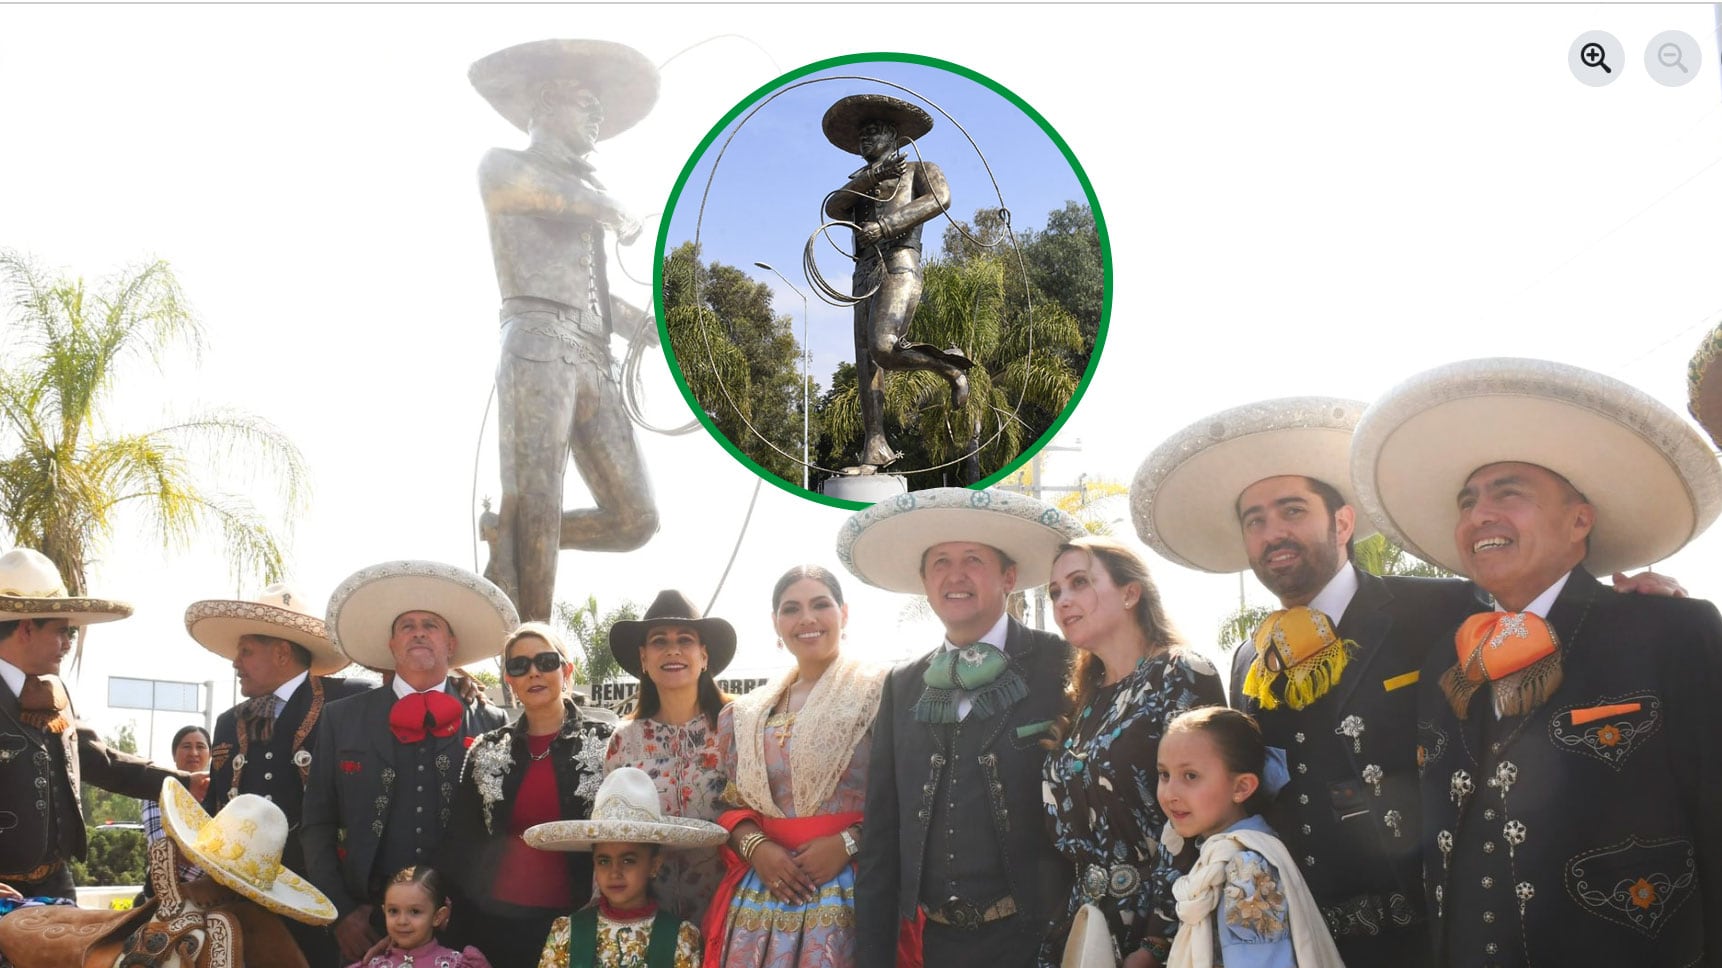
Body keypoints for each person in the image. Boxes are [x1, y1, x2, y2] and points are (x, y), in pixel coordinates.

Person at [1131, 396, 1683, 966]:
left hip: (1431, 934)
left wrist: (1633, 603)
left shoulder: (1442, 608)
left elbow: (1545, 616)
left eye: (1292, 511)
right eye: (1256, 521)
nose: (1274, 534)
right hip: (1309, 936)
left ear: (1342, 522)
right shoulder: (1250, 657)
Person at [1350, 357, 1722, 967]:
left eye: (1509, 493)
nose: (1478, 516)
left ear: (1580, 520)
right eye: (1468, 501)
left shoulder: (1670, 631)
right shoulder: (1446, 655)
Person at [839, 487, 1088, 968]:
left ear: (1009, 577)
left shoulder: (1064, 664)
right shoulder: (903, 685)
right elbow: (882, 837)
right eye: (939, 562)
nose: (955, 575)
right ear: (925, 581)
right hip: (942, 944)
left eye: (973, 559)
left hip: (1044, 938)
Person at [470, 39, 662, 622]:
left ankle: (516, 530)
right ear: (545, 106)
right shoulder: (505, 164)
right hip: (539, 345)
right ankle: (532, 643)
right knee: (541, 494)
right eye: (585, 103)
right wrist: (609, 207)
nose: (597, 117)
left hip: (595, 356)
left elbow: (596, 295)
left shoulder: (585, 196)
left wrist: (648, 326)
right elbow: (542, 196)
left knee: (635, 519)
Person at [303, 560, 514, 964]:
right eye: (407, 625)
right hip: (366, 924)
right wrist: (340, 913)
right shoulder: (341, 717)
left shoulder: (490, 722)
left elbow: (499, 832)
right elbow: (317, 823)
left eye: (431, 625)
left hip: (463, 926)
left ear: (451, 645)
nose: (419, 631)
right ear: (392, 645)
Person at [1039, 538, 1226, 967]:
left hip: (1165, 929)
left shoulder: (1179, 673)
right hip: (1085, 930)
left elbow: (1204, 819)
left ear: (1130, 592)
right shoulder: (1082, 700)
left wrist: (1157, 944)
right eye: (1055, 592)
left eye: (1079, 582)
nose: (1063, 600)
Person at [703, 565, 888, 968]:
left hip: (856, 884)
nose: (806, 618)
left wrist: (848, 843)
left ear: (844, 613)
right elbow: (728, 803)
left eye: (820, 604)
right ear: (775, 623)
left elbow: (911, 794)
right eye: (791, 609)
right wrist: (757, 849)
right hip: (765, 893)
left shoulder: (883, 692)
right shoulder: (748, 712)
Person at [0, 547, 206, 902]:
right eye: (62, 632)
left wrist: (186, 783)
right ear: (26, 628)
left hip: (56, 885)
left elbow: (99, 761)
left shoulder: (57, 693)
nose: (67, 645)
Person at [190, 582, 373, 962]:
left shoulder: (352, 698)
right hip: (247, 905)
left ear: (282, 652)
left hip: (328, 902)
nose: (235, 662)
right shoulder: (229, 721)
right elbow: (215, 807)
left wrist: (456, 685)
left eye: (245, 651)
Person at [445, 622, 613, 968]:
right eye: (519, 666)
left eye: (546, 662)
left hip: (578, 922)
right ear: (509, 679)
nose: (533, 673)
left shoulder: (608, 744)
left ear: (567, 670)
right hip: (494, 926)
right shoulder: (486, 749)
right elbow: (462, 843)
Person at [821, 94, 968, 468]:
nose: (865, 141)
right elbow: (833, 207)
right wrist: (871, 178)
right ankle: (876, 447)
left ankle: (948, 368)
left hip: (899, 261)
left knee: (884, 348)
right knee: (865, 364)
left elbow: (941, 198)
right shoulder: (859, 184)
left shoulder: (920, 168)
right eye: (861, 137)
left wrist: (887, 225)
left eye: (873, 132)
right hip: (863, 272)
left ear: (892, 134)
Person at [1156, 708, 1344, 968]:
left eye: (1190, 776)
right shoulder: (1223, 852)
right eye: (1164, 774)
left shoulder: (1247, 869)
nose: (1170, 793)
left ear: (1242, 787)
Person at [603, 590, 736, 925]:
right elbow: (610, 835)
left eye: (685, 639)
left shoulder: (738, 727)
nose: (673, 649)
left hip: (731, 911)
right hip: (649, 922)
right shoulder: (624, 741)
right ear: (644, 659)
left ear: (704, 656)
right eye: (659, 640)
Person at [527, 767, 726, 968]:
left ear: (654, 865)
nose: (614, 872)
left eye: (628, 860)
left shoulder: (680, 938)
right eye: (604, 861)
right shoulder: (567, 933)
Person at [350, 867, 493, 968]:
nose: (402, 921)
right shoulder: (374, 965)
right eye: (393, 911)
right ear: (384, 911)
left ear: (438, 916)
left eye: (415, 911)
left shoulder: (458, 963)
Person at [139, 725, 211, 885]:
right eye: (186, 746)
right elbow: (164, 848)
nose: (194, 753)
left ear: (210, 754)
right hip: (170, 888)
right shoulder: (160, 791)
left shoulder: (220, 791)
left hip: (217, 891)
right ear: (174, 754)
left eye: (200, 747)